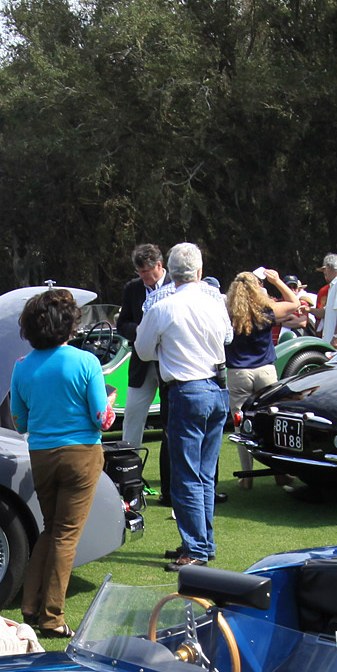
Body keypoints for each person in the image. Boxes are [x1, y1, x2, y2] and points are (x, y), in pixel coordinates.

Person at [9, 288, 111, 637]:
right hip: (81, 453)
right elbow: (101, 418)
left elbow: (20, 422)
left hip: (41, 454)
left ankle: (29, 605)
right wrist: (108, 401)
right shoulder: (86, 363)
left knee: (50, 529)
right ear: (68, 324)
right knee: (66, 536)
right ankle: (52, 618)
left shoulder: (21, 367)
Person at [135, 243, 232, 569]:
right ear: (200, 272)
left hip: (186, 390)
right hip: (217, 388)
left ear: (170, 273)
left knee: (187, 477)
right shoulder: (215, 302)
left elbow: (144, 349)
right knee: (204, 475)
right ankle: (203, 542)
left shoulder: (164, 307)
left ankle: (195, 549)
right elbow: (228, 337)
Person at [223, 269, 299, 490]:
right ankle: (279, 473)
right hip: (265, 371)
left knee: (241, 427)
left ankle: (247, 477)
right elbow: (293, 303)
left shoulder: (228, 313)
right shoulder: (265, 311)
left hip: (238, 373)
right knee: (272, 423)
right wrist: (276, 281)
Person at [115, 243, 168, 453]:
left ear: (159, 265)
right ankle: (129, 467)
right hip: (141, 364)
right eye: (139, 272)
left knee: (171, 419)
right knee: (133, 416)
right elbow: (122, 324)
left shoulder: (177, 284)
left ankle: (171, 470)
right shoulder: (132, 289)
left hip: (169, 363)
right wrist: (142, 330)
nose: (143, 276)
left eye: (146, 271)